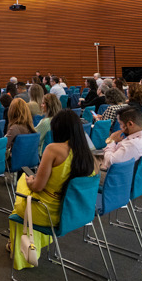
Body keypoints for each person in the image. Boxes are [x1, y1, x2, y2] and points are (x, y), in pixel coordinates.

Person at [8, 109, 96, 268]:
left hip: (47, 212)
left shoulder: (53, 149)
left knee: (22, 183)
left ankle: (22, 252)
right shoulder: (89, 155)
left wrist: (30, 181)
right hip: (73, 212)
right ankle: (36, 242)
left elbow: (38, 187)